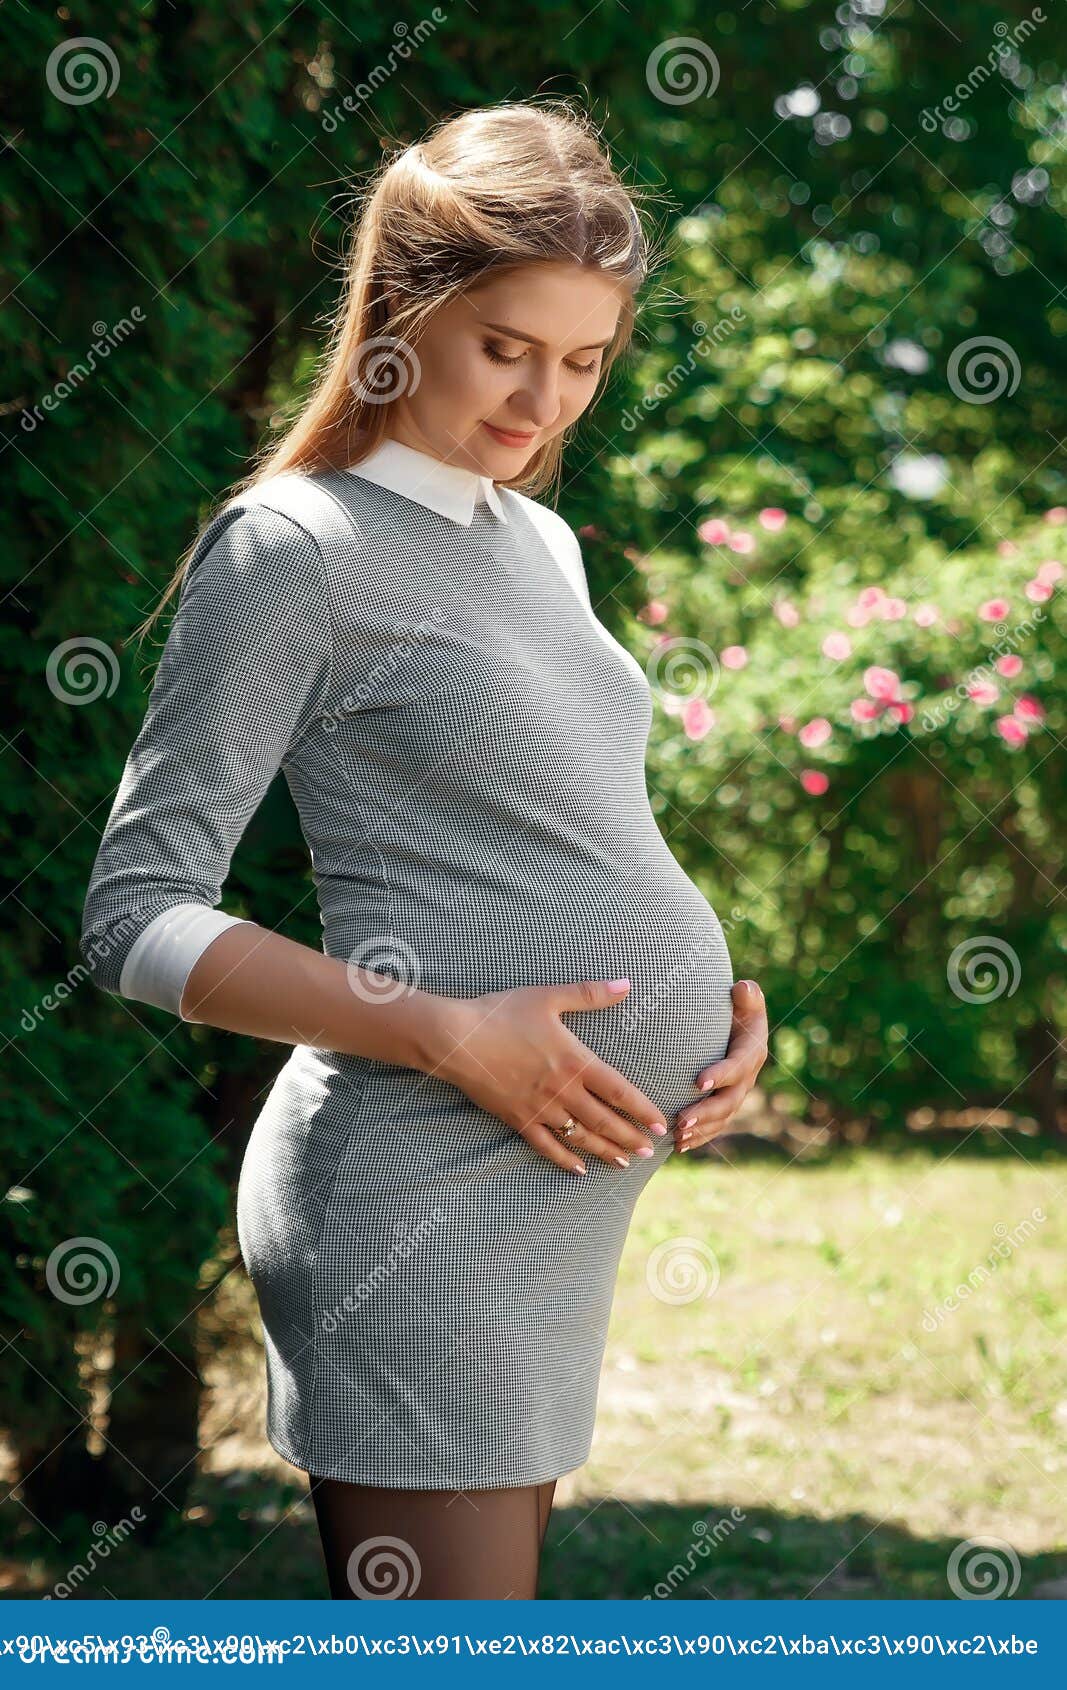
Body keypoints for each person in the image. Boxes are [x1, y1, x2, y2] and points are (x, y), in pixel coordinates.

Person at [79, 98, 768, 1601]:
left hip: (539, 1195)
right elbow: (133, 914)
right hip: (413, 1192)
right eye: (506, 347)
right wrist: (451, 1032)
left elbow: (577, 824)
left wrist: (717, 1009)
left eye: (583, 361)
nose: (544, 404)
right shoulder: (296, 548)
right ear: (403, 309)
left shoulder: (542, 543)